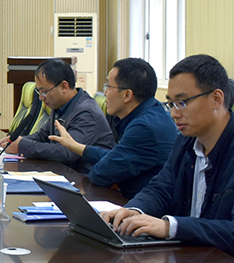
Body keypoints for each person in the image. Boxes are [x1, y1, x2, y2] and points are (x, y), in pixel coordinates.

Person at [101, 54, 234, 263]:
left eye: (182, 102)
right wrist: (135, 210)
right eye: (170, 103)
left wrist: (170, 227)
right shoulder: (187, 142)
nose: (174, 113)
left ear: (216, 99)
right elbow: (162, 188)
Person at [49, 57, 178, 198]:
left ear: (127, 95)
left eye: (108, 87)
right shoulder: (153, 111)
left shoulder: (144, 128)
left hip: (144, 206)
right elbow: (115, 156)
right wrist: (76, 147)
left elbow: (99, 174)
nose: (104, 93)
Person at [1, 58, 114, 172]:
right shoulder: (60, 105)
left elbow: (68, 153)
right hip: (64, 172)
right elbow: (42, 136)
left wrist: (22, 146)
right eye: (39, 92)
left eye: (44, 92)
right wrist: (15, 141)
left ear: (64, 86)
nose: (41, 97)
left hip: (85, 178)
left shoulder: (86, 113)